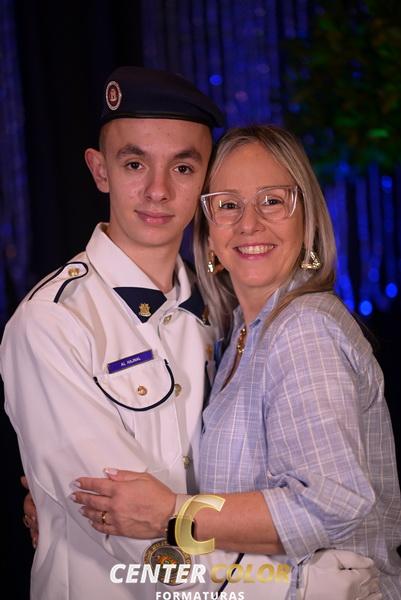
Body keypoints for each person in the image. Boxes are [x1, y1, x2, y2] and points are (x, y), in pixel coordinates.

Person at [71, 125, 401, 599]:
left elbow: (331, 503)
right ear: (208, 232)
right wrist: (69, 511)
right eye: (228, 205)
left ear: (306, 218)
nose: (250, 224)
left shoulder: (303, 329)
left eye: (272, 201)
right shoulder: (240, 337)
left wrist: (172, 513)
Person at [1, 65, 230, 600]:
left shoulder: (226, 310)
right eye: (134, 164)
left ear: (206, 180)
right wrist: (277, 576)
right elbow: (128, 529)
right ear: (99, 170)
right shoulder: (54, 323)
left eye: (182, 167)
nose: (157, 190)